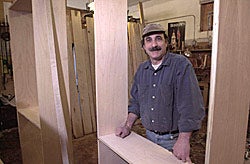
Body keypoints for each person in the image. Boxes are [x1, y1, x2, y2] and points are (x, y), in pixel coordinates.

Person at [115, 23, 205, 163]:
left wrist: (183, 140)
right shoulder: (142, 70)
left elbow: (190, 105)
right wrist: (127, 126)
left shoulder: (180, 65)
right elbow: (136, 102)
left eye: (158, 38)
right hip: (149, 136)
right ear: (143, 47)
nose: (154, 44)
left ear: (166, 42)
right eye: (149, 40)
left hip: (173, 139)